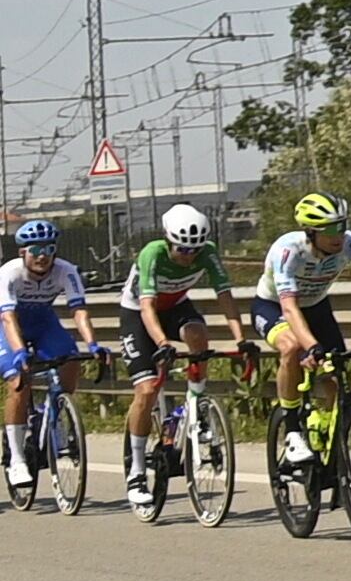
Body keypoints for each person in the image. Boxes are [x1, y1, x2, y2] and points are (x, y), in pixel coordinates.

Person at [120, 204, 232, 512]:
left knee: (198, 333)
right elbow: (146, 308)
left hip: (177, 306)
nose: (188, 256)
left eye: (194, 250)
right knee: (146, 390)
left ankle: (197, 403)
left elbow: (225, 296)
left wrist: (241, 338)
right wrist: (161, 342)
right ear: (168, 241)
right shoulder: (152, 253)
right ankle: (137, 472)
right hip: (139, 313)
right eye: (182, 249)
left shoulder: (207, 253)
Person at [260, 191, 351, 465]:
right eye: (328, 229)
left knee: (335, 375)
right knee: (291, 347)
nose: (338, 235)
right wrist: (312, 346)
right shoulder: (288, 250)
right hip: (274, 307)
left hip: (316, 307)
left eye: (342, 225)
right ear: (311, 232)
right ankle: (292, 431)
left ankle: (323, 425)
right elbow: (289, 308)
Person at [1, 219, 98, 504]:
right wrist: (19, 352)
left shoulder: (66, 271)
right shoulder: (9, 273)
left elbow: (79, 311)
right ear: (23, 252)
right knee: (19, 381)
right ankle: (17, 459)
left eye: (49, 248)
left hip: (43, 322)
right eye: (36, 249)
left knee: (70, 360)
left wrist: (92, 342)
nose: (43, 255)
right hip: (9, 324)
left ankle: (54, 413)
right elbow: (7, 317)